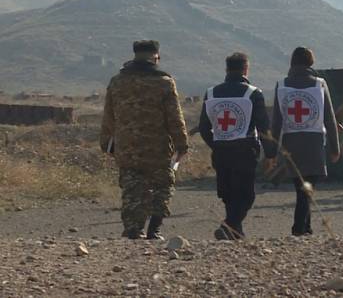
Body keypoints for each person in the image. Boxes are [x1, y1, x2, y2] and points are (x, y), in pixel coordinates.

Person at [100, 40, 189, 240]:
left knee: (132, 188)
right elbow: (174, 117)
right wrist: (182, 144)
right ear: (156, 55)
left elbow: (108, 116)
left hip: (127, 147)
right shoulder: (164, 82)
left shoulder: (117, 81)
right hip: (157, 148)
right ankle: (154, 230)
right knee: (162, 186)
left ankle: (133, 229)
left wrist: (107, 143)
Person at [198, 52, 276, 240]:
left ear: (226, 69)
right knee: (246, 194)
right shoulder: (253, 93)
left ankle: (235, 230)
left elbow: (203, 127)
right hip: (245, 150)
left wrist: (216, 143)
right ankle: (229, 226)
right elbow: (263, 127)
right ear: (245, 69)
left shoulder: (211, 93)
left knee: (228, 192)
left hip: (221, 151)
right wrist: (271, 153)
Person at [271, 47, 340, 236]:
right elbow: (329, 119)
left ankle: (306, 228)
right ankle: (298, 228)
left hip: (290, 144)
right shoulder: (320, 84)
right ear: (311, 62)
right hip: (314, 142)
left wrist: (271, 151)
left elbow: (276, 122)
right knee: (307, 188)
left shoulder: (281, 84)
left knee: (301, 188)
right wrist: (335, 148)